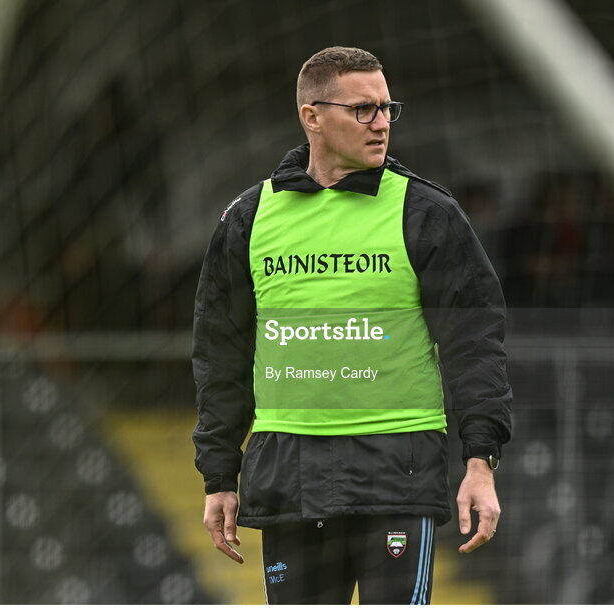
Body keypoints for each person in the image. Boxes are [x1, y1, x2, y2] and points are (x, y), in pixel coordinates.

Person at [192, 46, 512, 604]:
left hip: (397, 476)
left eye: (388, 108)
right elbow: (221, 352)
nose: (382, 123)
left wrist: (480, 462)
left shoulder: (427, 213)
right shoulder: (248, 218)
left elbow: (475, 345)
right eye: (363, 110)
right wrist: (219, 475)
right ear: (311, 116)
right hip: (288, 476)